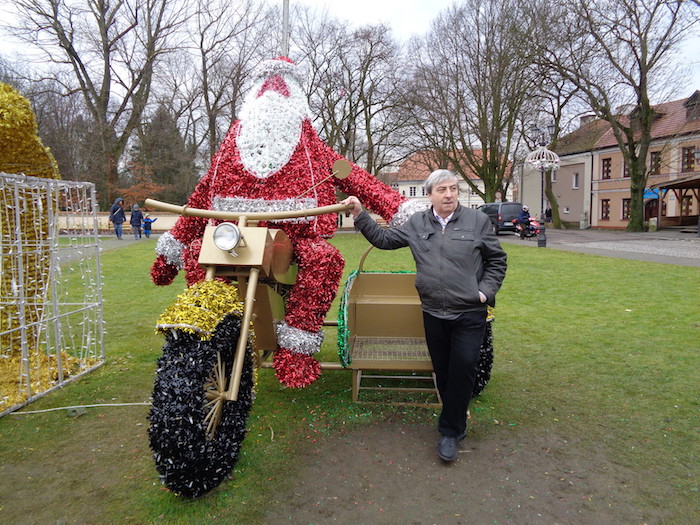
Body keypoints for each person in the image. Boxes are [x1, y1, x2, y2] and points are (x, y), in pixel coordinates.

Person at [150, 56, 413, 388]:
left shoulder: (310, 145)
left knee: (324, 259)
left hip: (295, 237)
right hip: (235, 234)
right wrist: (170, 253)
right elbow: (204, 194)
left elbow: (356, 178)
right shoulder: (231, 146)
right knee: (198, 252)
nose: (272, 90)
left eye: (281, 84)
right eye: (265, 84)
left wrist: (405, 211)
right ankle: (215, 335)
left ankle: (297, 346)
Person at [343, 170, 507, 463]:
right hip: (433, 311)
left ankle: (450, 431)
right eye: (442, 190)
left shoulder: (477, 221)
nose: (449, 194)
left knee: (464, 366)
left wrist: (484, 292)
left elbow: (497, 260)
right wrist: (360, 214)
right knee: (442, 370)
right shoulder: (417, 223)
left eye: (453, 188)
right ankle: (455, 415)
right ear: (429, 194)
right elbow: (384, 239)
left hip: (469, 312)